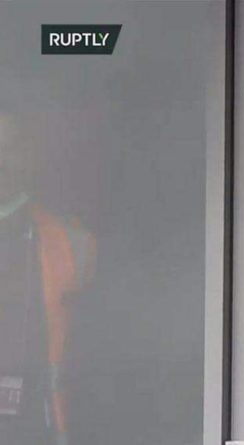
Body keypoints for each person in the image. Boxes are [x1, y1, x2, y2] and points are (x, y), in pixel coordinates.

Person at [0, 109, 96, 445]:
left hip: (39, 428)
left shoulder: (72, 241)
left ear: (28, 155)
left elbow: (99, 354)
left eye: (8, 147)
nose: (1, 160)